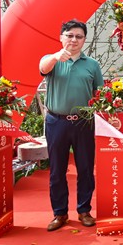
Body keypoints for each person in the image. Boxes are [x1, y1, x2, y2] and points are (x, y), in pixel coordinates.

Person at [39, 19, 104, 231]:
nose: (73, 40)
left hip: (83, 122)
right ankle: (59, 213)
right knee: (57, 169)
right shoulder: (51, 60)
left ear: (84, 40)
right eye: (69, 35)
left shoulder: (92, 65)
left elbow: (100, 93)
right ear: (61, 37)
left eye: (78, 36)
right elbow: (42, 68)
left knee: (85, 168)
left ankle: (84, 210)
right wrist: (56, 57)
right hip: (56, 122)